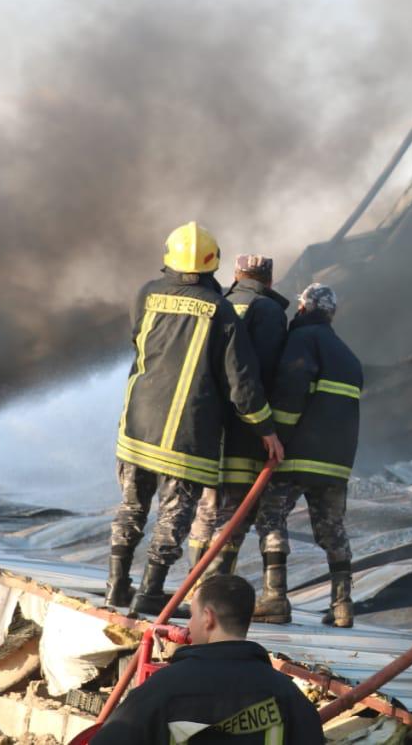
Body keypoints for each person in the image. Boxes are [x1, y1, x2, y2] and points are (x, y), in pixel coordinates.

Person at [109, 222, 284, 616]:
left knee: (131, 508)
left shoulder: (146, 294)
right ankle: (150, 592)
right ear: (213, 261)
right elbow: (241, 380)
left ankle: (116, 587)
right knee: (173, 516)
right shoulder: (220, 309)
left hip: (136, 426)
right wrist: (265, 428)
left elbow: (139, 344)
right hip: (185, 436)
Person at [93, 574, 325, 744]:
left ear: (208, 618)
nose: (189, 625)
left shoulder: (162, 689)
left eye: (192, 615)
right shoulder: (287, 695)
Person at [253, 283, 363, 628]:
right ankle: (343, 606)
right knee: (333, 529)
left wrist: (276, 438)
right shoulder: (348, 356)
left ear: (302, 308)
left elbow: (290, 394)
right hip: (336, 464)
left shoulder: (301, 340)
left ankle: (274, 598)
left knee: (271, 518)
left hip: (297, 457)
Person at [188, 254, 290, 576]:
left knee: (206, 509)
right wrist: (269, 427)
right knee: (233, 511)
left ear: (235, 275)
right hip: (245, 428)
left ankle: (196, 586)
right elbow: (267, 374)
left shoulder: (217, 303)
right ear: (269, 280)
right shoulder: (269, 311)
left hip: (206, 427)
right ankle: (215, 585)